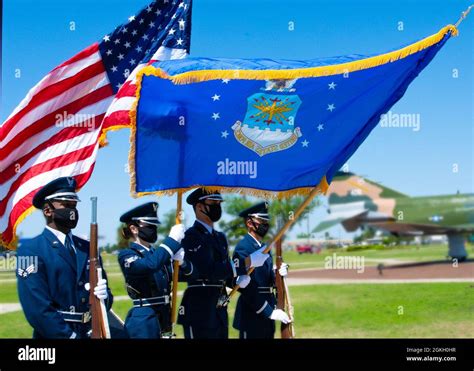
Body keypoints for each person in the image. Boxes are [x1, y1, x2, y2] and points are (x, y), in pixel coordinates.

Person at [16, 177, 113, 339]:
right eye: (66, 205)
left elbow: (105, 301)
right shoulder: (31, 250)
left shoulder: (88, 248)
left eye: (74, 206)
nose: (72, 211)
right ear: (48, 211)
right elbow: (37, 309)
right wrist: (70, 337)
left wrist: (105, 298)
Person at [177, 188, 268, 339]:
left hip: (219, 310)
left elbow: (224, 271)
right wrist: (247, 262)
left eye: (219, 202)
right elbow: (207, 270)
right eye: (213, 202)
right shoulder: (190, 236)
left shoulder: (220, 237)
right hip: (199, 309)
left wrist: (235, 280)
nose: (217, 206)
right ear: (199, 207)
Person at [118, 202, 191, 338]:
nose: (154, 229)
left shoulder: (158, 255)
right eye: (150, 226)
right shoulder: (127, 255)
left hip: (164, 317)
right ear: (134, 229)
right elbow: (149, 265)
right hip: (144, 320)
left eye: (155, 226)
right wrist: (171, 241)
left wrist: (182, 263)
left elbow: (188, 276)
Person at [232, 202, 291, 339]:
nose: (265, 224)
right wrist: (268, 311)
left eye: (267, 221)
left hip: (268, 309)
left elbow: (268, 280)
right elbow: (245, 287)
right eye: (262, 221)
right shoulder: (243, 247)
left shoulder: (265, 247)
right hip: (251, 312)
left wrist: (278, 274)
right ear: (249, 223)